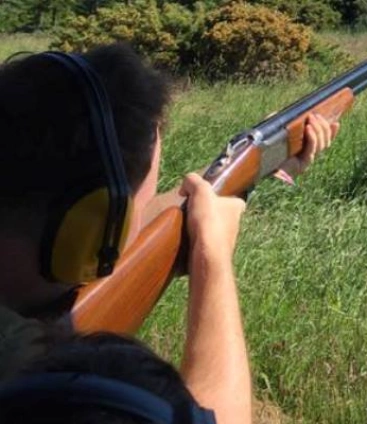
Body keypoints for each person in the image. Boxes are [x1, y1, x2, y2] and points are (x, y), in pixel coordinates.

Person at [0, 44, 339, 423]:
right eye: (132, 209)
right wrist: (213, 257)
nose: (142, 214)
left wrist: (249, 170)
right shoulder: (22, 361)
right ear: (93, 227)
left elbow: (149, 223)